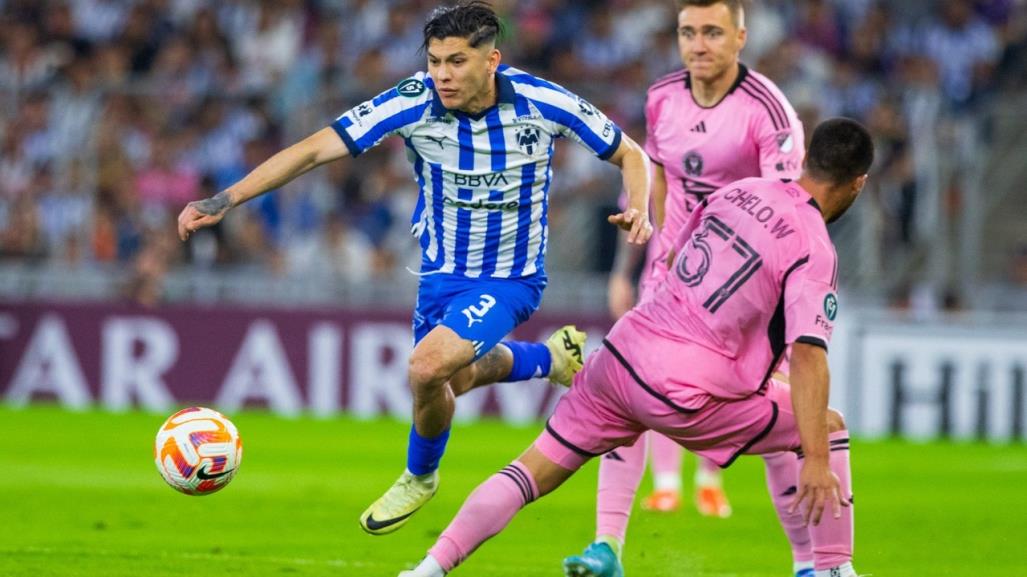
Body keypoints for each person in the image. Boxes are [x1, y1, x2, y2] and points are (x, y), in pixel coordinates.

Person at [176, 1, 652, 536]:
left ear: (491, 60)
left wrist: (639, 207)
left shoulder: (542, 101)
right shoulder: (413, 101)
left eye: (456, 62)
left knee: (426, 368)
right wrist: (226, 198)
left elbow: (631, 153)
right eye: (435, 61)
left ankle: (420, 476)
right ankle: (551, 359)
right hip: (438, 278)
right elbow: (313, 151)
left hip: (510, 279)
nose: (442, 75)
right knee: (457, 377)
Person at [396, 117, 874, 577]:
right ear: (858, 184)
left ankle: (428, 568)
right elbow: (809, 353)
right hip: (686, 393)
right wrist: (814, 458)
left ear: (806, 157)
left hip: (621, 356)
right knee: (827, 429)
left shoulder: (739, 191)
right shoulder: (814, 247)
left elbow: (673, 258)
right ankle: (833, 568)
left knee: (527, 474)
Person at [593, 0, 811, 574]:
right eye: (688, 32)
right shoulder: (663, 95)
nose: (698, 44)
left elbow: (786, 213)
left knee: (779, 417)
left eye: (712, 32)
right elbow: (655, 177)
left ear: (741, 37)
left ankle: (811, 563)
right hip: (672, 279)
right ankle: (607, 546)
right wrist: (637, 266)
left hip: (745, 293)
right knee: (623, 394)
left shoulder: (769, 112)